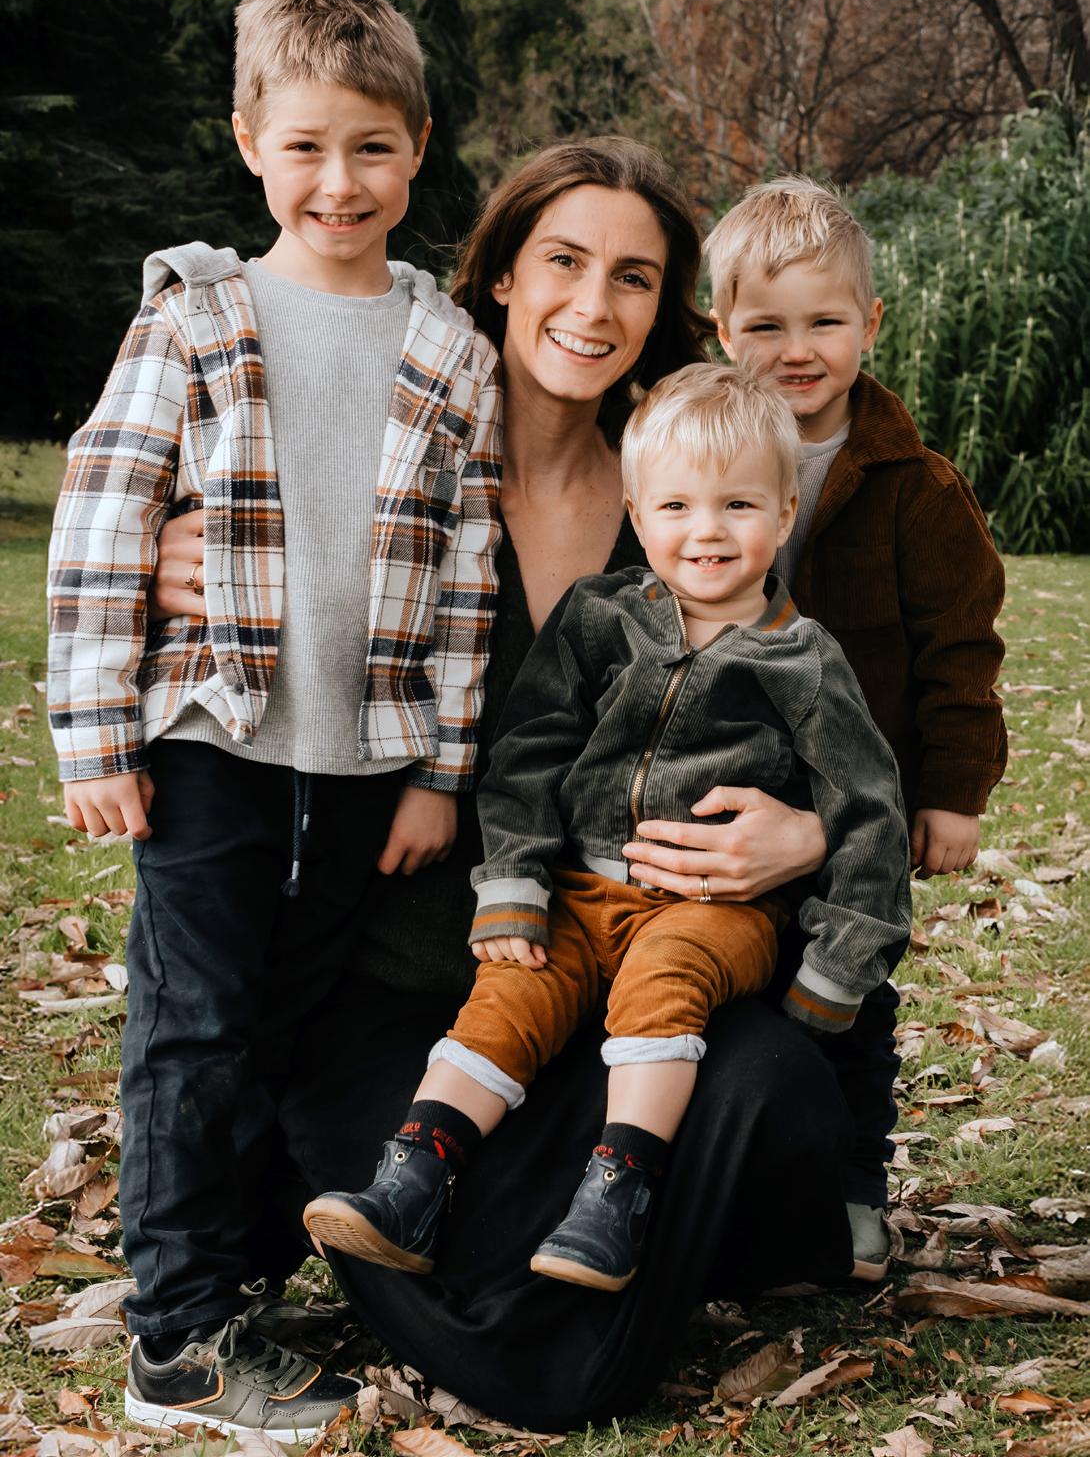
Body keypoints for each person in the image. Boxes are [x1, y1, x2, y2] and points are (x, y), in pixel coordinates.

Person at [151, 139, 860, 1430]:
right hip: (403, 991)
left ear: (663, 306)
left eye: (632, 276)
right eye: (562, 261)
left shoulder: (686, 497)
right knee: (519, 1348)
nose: (593, 304)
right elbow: (222, 501)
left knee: (771, 1084)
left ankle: (659, 1219)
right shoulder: (390, 461)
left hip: (621, 973)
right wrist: (163, 554)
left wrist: (806, 833)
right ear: (499, 274)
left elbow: (831, 694)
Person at [46, 0, 502, 1441]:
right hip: (209, 741)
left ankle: (229, 1275)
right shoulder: (197, 315)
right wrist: (96, 736)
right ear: (249, 141)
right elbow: (105, 520)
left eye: (371, 148)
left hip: (363, 759)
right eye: (304, 146)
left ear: (417, 146)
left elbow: (467, 578)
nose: (338, 181)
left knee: (280, 1025)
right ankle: (175, 1340)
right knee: (190, 1024)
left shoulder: (449, 350)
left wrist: (440, 772)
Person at [302, 363, 911, 1294]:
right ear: (637, 512)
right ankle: (413, 1179)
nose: (706, 531)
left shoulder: (802, 661)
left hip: (713, 910)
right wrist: (514, 880)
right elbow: (530, 753)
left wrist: (835, 969)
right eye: (676, 506)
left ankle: (616, 1195)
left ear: (785, 512)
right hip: (583, 889)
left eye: (738, 505)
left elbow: (871, 810)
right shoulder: (602, 619)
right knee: (511, 990)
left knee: (665, 982)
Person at [702, 174, 1007, 1274]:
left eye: (824, 322)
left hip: (860, 803)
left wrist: (952, 794)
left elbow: (960, 651)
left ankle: (852, 1187)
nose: (797, 351)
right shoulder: (697, 458)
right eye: (765, 326)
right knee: (734, 985)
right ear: (720, 329)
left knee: (850, 996)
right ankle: (731, 1185)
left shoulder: (915, 489)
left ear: (869, 323)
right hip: (726, 782)